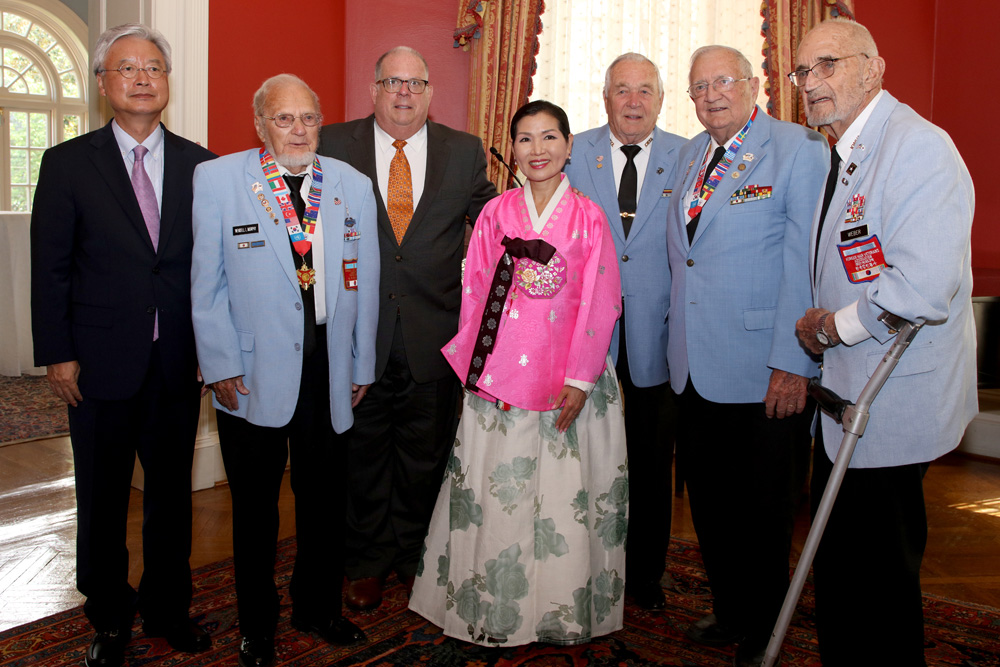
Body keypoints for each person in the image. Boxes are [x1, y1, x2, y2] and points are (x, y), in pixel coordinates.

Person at [29, 23, 215, 667]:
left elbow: (211, 269)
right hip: (98, 362)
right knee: (102, 497)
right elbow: (50, 269)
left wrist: (212, 349)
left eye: (154, 68)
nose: (142, 78)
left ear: (167, 81)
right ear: (103, 82)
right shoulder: (66, 163)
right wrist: (57, 352)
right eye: (128, 68)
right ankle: (108, 617)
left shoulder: (202, 165)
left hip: (178, 362)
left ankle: (168, 610)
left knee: (171, 498)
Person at [792, 20, 976, 667]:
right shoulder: (841, 151)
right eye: (802, 71)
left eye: (828, 64)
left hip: (891, 398)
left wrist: (829, 328)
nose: (811, 82)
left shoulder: (920, 148)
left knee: (879, 579)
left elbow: (921, 286)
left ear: (874, 68)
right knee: (842, 567)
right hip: (845, 398)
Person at [408, 99, 625, 646]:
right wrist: (478, 371)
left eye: (549, 137)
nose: (537, 150)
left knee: (562, 498)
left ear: (569, 145)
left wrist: (580, 379)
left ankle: (558, 610)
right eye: (525, 139)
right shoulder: (495, 214)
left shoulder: (589, 216)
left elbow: (601, 299)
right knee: (498, 495)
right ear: (511, 149)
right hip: (501, 379)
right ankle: (493, 609)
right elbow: (475, 294)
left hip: (569, 380)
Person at [190, 74, 378, 667]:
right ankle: (257, 625)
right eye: (283, 118)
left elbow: (367, 281)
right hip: (249, 370)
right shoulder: (218, 179)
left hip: (329, 368)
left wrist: (361, 362)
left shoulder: (351, 184)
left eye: (308, 118)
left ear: (320, 124)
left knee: (324, 501)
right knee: (254, 508)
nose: (298, 130)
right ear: (260, 125)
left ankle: (317, 607)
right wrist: (219, 362)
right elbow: (205, 283)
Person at [317, 46, 496, 611]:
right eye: (392, 81)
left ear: (429, 93)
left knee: (425, 459)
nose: (403, 93)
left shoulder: (463, 151)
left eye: (415, 83)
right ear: (373, 89)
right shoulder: (332, 144)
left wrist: (556, 217)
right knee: (363, 456)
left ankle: (416, 556)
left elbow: (496, 224)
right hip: (357, 336)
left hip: (433, 336)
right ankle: (366, 562)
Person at [665, 45, 828, 666]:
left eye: (723, 81)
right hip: (693, 365)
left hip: (765, 367)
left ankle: (765, 626)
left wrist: (794, 362)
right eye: (699, 86)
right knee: (711, 504)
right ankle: (732, 609)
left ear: (754, 85)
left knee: (764, 509)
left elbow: (807, 265)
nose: (711, 95)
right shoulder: (690, 154)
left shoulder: (797, 149)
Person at [562, 53, 685, 611]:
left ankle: (644, 574)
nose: (633, 102)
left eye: (645, 91)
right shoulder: (570, 152)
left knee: (652, 460)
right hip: (586, 335)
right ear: (605, 96)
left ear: (660, 98)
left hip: (661, 336)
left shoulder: (690, 155)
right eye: (622, 90)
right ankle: (582, 563)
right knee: (584, 453)